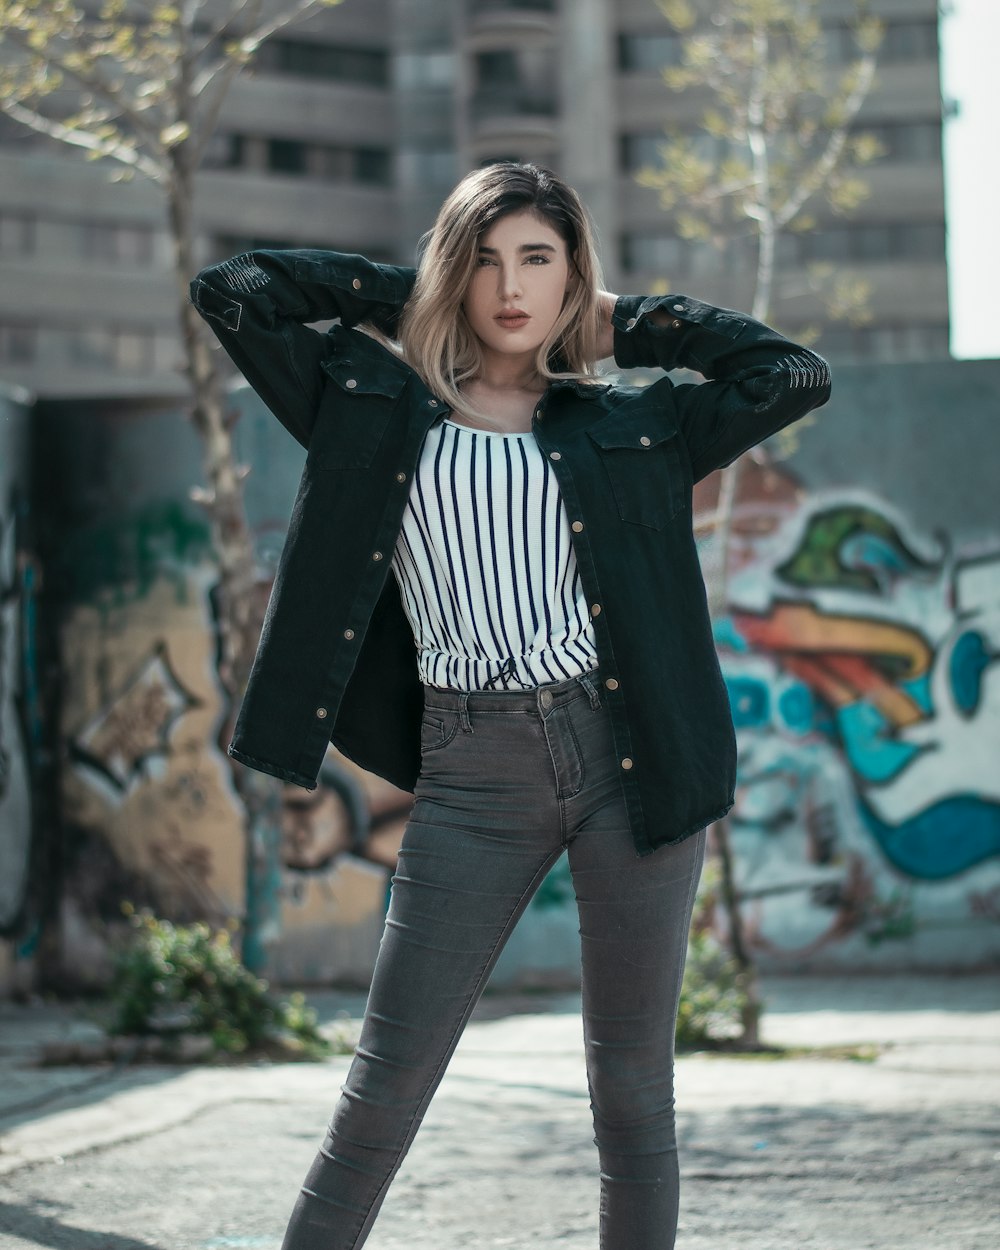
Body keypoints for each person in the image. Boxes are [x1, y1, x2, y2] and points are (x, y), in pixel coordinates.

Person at [190, 161, 830, 1250]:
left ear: (573, 272)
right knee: (382, 1093)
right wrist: (418, 294)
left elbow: (791, 371)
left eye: (538, 258)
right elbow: (235, 288)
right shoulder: (376, 405)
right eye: (484, 259)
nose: (510, 286)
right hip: (471, 766)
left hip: (629, 756)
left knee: (632, 1094)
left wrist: (622, 321)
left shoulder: (627, 427)